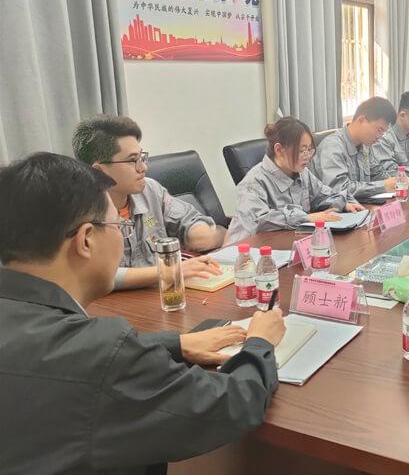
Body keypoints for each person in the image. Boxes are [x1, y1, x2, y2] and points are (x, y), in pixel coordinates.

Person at [0, 152, 287, 475]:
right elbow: (233, 405)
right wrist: (260, 342)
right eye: (119, 226)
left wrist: (174, 344)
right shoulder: (100, 353)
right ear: (86, 240)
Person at [72, 115, 225, 290]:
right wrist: (167, 271)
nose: (143, 167)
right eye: (132, 160)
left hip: (161, 296)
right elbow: (92, 275)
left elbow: (189, 221)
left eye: (141, 157)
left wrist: (198, 232)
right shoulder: (78, 212)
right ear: (99, 171)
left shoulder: (149, 190)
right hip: (115, 304)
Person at [226, 117, 365, 243]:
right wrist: (306, 218)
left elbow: (322, 194)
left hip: (285, 244)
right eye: (302, 150)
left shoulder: (302, 172)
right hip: (246, 252)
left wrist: (343, 204)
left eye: (310, 150)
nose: (307, 156)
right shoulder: (253, 182)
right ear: (279, 150)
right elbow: (260, 221)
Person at [310, 97, 398, 201]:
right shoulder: (333, 147)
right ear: (361, 120)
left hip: (361, 205)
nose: (380, 136)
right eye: (379, 130)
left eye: (383, 132)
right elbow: (339, 189)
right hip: (335, 208)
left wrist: (397, 180)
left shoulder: (365, 144)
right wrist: (382, 186)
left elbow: (377, 173)